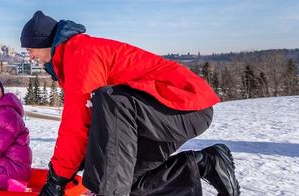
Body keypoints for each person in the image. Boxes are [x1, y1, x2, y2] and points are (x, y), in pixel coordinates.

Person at [20, 11, 240, 196]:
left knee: (110, 101)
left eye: (30, 50)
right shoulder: (71, 59)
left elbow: (77, 123)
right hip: (159, 114)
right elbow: (92, 126)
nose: (30, 57)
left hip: (185, 105)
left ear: (42, 41)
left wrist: (58, 177)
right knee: (128, 180)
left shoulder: (80, 52)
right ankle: (207, 162)